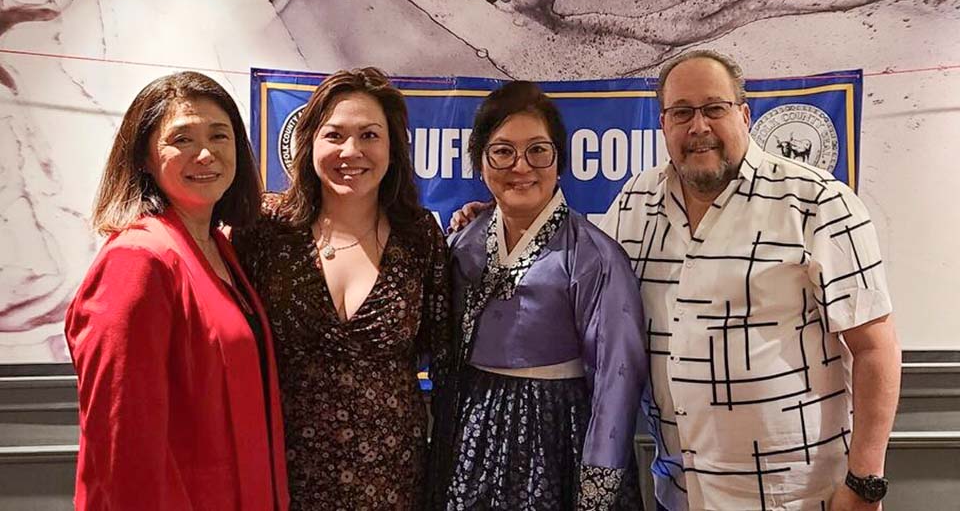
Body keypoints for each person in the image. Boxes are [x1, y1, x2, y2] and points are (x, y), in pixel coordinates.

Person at [598, 50, 901, 510]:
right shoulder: (634, 202)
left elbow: (876, 347)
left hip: (794, 498)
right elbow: (577, 273)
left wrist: (865, 482)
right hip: (678, 492)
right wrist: (497, 216)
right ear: (663, 124)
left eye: (714, 108)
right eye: (682, 112)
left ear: (744, 114)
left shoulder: (817, 202)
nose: (698, 126)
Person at [64, 71, 288, 510]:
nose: (205, 154)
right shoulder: (137, 260)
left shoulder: (219, 248)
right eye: (181, 139)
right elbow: (123, 445)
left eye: (219, 135)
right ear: (145, 157)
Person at [232, 67, 450, 510]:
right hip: (284, 472)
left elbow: (445, 354)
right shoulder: (266, 229)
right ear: (309, 142)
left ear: (393, 148)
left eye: (370, 135)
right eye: (334, 135)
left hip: (393, 478)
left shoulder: (420, 235)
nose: (351, 151)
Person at [429, 81, 648, 510]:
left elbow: (617, 378)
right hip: (470, 433)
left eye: (538, 151)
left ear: (558, 160)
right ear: (481, 161)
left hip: (557, 435)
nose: (521, 166)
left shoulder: (594, 255)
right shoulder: (463, 243)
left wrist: (599, 482)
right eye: (503, 151)